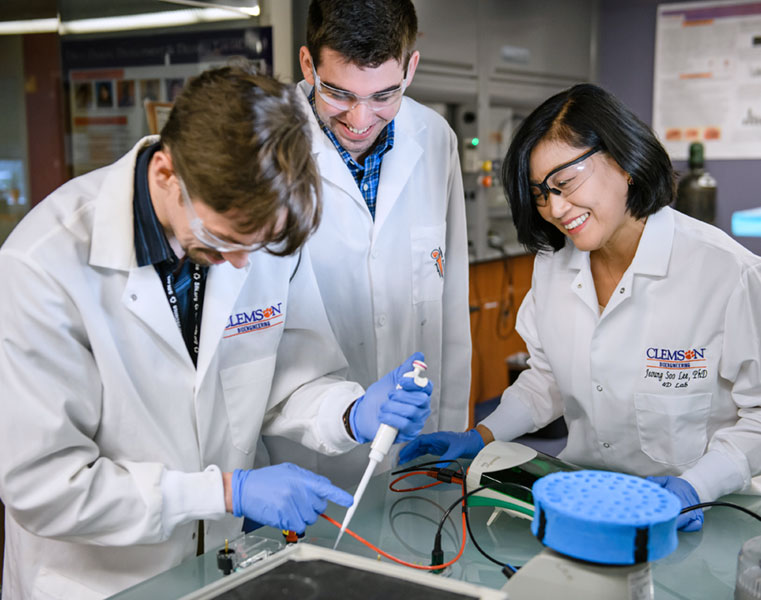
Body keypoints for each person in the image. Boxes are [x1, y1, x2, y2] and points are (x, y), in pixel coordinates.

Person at [0, 63, 433, 599]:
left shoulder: (254, 237)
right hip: (101, 582)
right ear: (165, 174)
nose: (238, 265)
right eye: (222, 238)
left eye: (258, 246)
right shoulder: (43, 266)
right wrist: (226, 491)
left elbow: (286, 380)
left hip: (220, 568)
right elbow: (45, 487)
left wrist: (351, 412)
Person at [400, 83, 761, 532]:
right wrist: (482, 435)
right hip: (586, 504)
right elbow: (548, 379)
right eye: (540, 194)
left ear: (623, 160)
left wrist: (696, 487)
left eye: (565, 183)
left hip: (704, 518)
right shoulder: (553, 267)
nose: (554, 208)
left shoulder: (727, 273)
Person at [264, 0, 471, 487]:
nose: (360, 118)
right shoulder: (263, 151)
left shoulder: (435, 138)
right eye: (338, 93)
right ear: (308, 64)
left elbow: (451, 307)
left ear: (410, 69)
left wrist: (451, 436)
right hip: (301, 460)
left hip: (417, 456)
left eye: (384, 95)